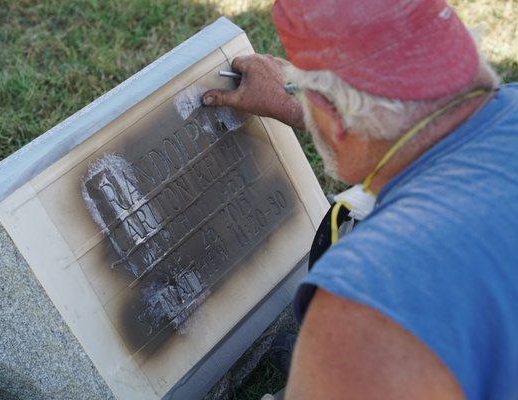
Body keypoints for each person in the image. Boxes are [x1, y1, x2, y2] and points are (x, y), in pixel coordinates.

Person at [203, 0, 518, 399]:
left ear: (334, 118)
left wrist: (341, 365)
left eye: (302, 91)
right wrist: (298, 104)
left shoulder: (366, 305)